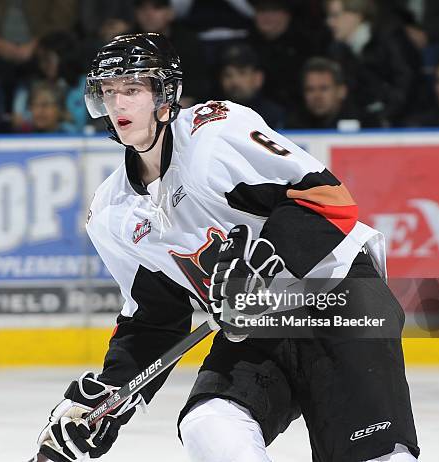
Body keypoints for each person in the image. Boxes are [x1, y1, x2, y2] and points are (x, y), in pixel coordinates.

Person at [34, 33, 419, 462]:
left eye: (133, 89)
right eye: (108, 91)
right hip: (256, 331)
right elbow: (155, 317)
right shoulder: (112, 212)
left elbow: (327, 199)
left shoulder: (214, 136)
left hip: (337, 300)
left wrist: (267, 266)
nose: (118, 104)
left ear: (165, 94)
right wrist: (112, 396)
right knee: (210, 427)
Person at [286, 56, 380, 129]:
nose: (317, 96)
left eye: (324, 88)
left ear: (341, 91)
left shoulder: (366, 125)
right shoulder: (292, 127)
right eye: (310, 89)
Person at [219, 44, 284, 128]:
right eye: (228, 75)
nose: (234, 81)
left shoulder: (275, 116)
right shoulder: (212, 114)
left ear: (258, 78)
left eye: (242, 73)